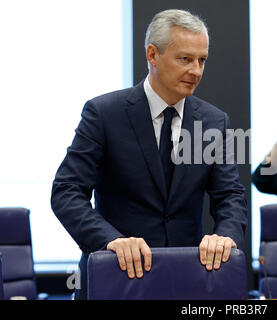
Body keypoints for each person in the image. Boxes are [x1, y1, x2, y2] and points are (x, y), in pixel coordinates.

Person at [51, 9, 248, 300]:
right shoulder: (104, 114)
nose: (196, 70)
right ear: (152, 55)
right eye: (185, 59)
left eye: (201, 60)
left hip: (186, 280)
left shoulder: (214, 121)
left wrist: (225, 235)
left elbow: (230, 194)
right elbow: (66, 191)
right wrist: (111, 241)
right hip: (115, 277)